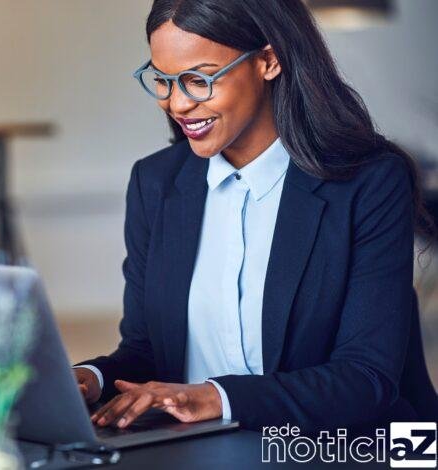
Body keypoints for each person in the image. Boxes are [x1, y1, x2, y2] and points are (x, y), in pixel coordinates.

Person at [73, 0, 438, 435]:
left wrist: (215, 396)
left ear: (268, 60)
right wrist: (90, 379)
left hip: (345, 445)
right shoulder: (155, 183)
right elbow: (147, 351)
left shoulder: (368, 182)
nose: (177, 103)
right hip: (203, 447)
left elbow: (365, 379)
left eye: (199, 79)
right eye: (164, 80)